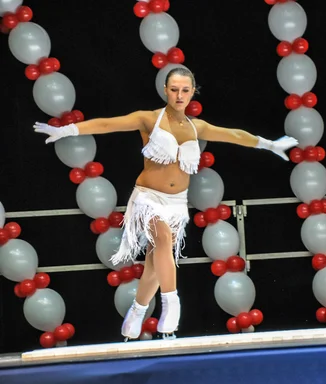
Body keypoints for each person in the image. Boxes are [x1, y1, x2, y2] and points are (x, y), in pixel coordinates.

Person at [33, 67, 298, 340]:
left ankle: (137, 310)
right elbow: (107, 124)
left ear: (193, 91)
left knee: (154, 263)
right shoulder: (149, 120)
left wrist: (269, 145)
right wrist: (68, 130)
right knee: (162, 242)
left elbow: (234, 134)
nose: (179, 95)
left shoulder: (198, 127)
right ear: (165, 91)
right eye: (174, 90)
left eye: (185, 90)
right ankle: (172, 303)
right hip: (148, 197)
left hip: (176, 202)